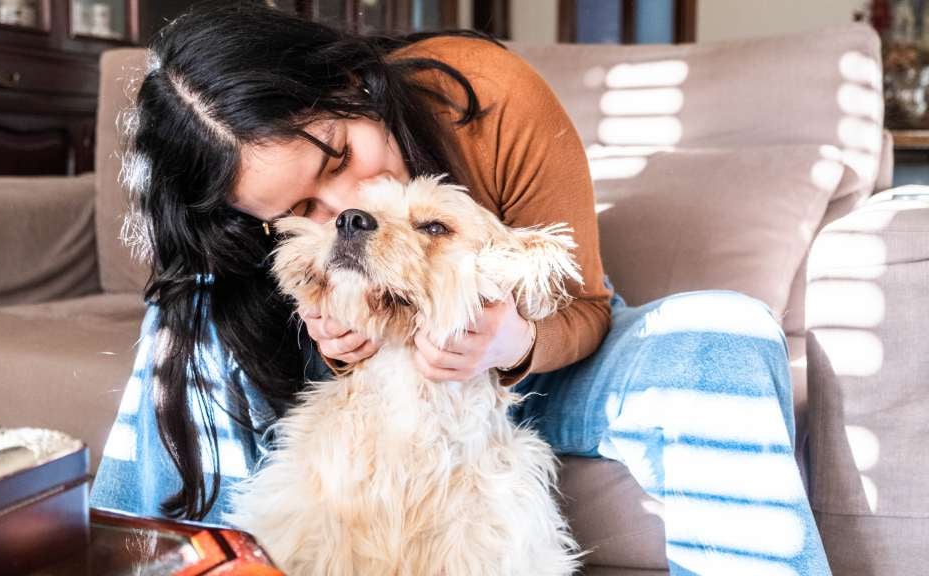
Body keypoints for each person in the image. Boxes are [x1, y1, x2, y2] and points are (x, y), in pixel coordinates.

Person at [90, 2, 831, 574]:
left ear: (350, 81)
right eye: (298, 211)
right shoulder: (250, 223)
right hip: (363, 379)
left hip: (537, 362)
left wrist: (515, 340)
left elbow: (584, 304)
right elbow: (277, 290)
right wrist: (331, 324)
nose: (349, 208)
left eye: (341, 156)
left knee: (725, 330)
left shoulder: (491, 95)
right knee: (182, 319)